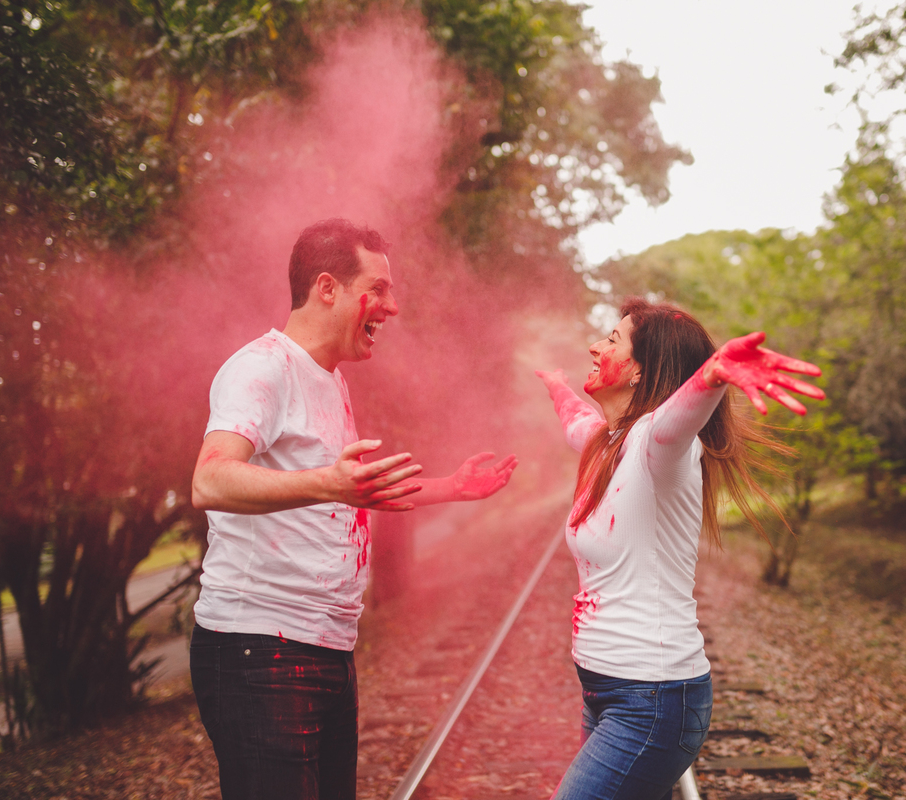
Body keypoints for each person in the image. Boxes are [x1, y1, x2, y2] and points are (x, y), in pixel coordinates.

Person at [189, 218, 517, 800]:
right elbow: (210, 481)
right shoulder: (262, 368)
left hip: (325, 645)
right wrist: (329, 483)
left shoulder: (329, 380)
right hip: (258, 648)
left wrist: (453, 488)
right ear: (327, 288)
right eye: (380, 289)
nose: (392, 308)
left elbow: (351, 494)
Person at [536, 298, 824, 800]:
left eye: (612, 340)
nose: (594, 345)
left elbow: (676, 418)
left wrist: (714, 375)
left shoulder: (658, 444)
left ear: (641, 370)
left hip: (651, 700)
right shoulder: (608, 442)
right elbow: (572, 422)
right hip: (605, 690)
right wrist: (556, 384)